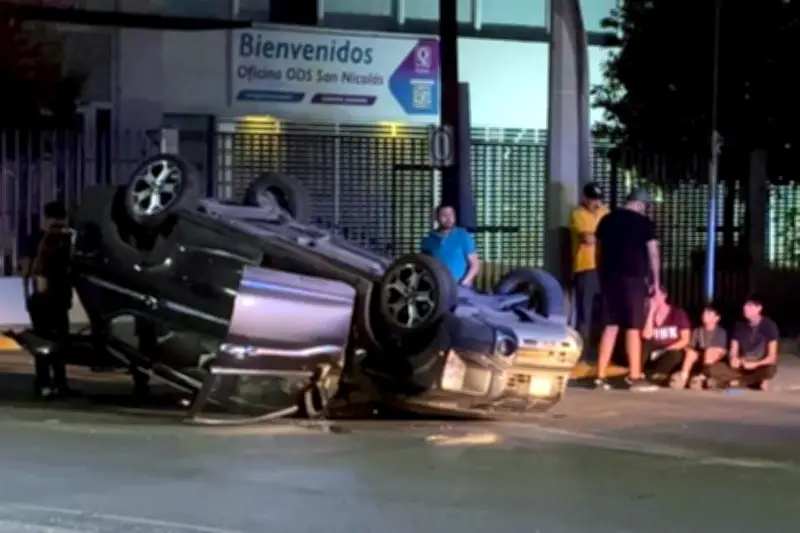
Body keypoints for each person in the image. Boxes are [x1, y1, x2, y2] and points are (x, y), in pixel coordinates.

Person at [594, 189, 661, 391]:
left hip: (609, 278)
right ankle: (634, 375)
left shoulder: (607, 220)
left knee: (610, 326)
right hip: (633, 279)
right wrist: (656, 281)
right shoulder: (644, 223)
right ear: (641, 205)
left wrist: (601, 273)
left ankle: (600, 376)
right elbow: (653, 254)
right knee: (633, 327)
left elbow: (598, 250)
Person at [19, 201, 74, 399]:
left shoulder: (35, 238)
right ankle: (56, 384)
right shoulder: (65, 240)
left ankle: (46, 384)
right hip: (54, 297)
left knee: (45, 343)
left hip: (44, 298)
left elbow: (25, 270)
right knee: (54, 342)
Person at [705, 295, 779, 390]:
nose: (745, 308)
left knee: (770, 369)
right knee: (712, 368)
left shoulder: (769, 325)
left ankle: (735, 383)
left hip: (758, 365)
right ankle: (746, 382)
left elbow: (772, 357)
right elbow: (733, 349)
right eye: (745, 305)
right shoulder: (739, 325)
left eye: (749, 305)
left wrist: (755, 364)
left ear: (759, 308)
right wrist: (734, 359)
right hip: (742, 365)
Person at [568, 182, 609, 348]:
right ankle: (583, 349)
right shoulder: (577, 214)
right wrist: (604, 238)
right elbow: (587, 238)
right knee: (585, 311)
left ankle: (602, 347)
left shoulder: (606, 213)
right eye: (592, 199)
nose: (596, 203)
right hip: (585, 268)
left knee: (605, 311)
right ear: (584, 198)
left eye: (598, 199)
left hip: (604, 268)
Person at [640, 286, 691, 386]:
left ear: (664, 296)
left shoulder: (678, 313)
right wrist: (651, 313)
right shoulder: (646, 314)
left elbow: (685, 339)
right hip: (653, 349)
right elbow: (646, 335)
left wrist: (665, 350)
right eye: (650, 296)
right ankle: (638, 373)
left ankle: (656, 377)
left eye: (655, 295)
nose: (653, 299)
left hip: (671, 348)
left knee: (674, 355)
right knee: (642, 346)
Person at [670, 302, 728, 390]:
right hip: (700, 356)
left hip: (714, 360)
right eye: (704, 313)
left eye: (708, 314)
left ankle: (702, 377)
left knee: (710, 352)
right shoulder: (698, 330)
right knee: (690, 353)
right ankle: (683, 376)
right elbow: (691, 346)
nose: (704, 315)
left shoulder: (721, 332)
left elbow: (720, 351)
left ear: (717, 318)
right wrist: (690, 351)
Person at [420, 204, 480, 287]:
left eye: (451, 214)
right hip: (438, 289)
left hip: (461, 288)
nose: (448, 218)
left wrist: (463, 283)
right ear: (436, 217)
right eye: (444, 215)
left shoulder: (463, 236)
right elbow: (424, 267)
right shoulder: (427, 241)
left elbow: (475, 265)